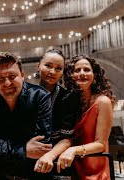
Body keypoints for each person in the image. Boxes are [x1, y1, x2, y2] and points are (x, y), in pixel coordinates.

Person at [0, 52, 53, 179]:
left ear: (22, 75)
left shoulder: (40, 96)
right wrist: (24, 149)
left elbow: (42, 144)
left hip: (36, 175)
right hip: (1, 176)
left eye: (12, 76)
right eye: (0, 78)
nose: (7, 83)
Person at [58, 54, 116, 179]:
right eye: (77, 70)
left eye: (87, 69)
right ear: (71, 76)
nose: (82, 73)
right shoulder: (72, 103)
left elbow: (100, 143)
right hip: (75, 168)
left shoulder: (103, 102)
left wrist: (73, 150)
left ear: (94, 76)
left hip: (97, 170)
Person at [33, 49, 82, 179]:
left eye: (58, 68)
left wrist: (49, 155)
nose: (52, 72)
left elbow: (68, 138)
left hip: (58, 161)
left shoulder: (69, 98)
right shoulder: (27, 94)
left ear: (62, 73)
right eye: (48, 66)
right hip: (30, 161)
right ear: (38, 67)